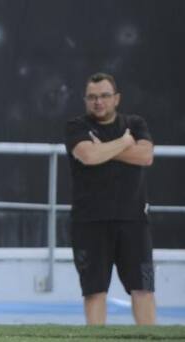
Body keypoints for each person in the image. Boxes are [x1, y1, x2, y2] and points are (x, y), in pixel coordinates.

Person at [65, 72, 156, 326]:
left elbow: (145, 156)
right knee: (94, 291)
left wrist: (105, 147)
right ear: (85, 100)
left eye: (104, 96)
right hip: (89, 222)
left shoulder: (135, 124)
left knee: (144, 288)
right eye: (92, 97)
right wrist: (124, 143)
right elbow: (89, 156)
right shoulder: (76, 127)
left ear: (116, 98)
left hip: (134, 222)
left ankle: (149, 338)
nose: (98, 102)